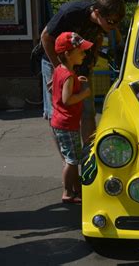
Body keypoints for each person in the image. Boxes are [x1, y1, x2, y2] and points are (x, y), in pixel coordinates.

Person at [41, 0, 125, 145]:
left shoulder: (104, 20)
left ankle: (88, 155)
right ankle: (69, 160)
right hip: (55, 61)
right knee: (58, 113)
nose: (114, 26)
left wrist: (93, 59)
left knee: (87, 111)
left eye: (118, 22)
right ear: (97, 12)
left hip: (81, 63)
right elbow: (45, 37)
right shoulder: (72, 12)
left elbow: (99, 37)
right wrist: (60, 70)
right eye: (112, 22)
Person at [51, 32, 93, 203]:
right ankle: (68, 192)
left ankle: (75, 189)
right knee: (72, 160)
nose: (84, 54)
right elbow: (67, 99)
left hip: (61, 122)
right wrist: (85, 93)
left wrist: (77, 79)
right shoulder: (68, 75)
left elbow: (60, 87)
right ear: (68, 54)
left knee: (72, 157)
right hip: (67, 124)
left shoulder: (61, 70)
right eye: (81, 51)